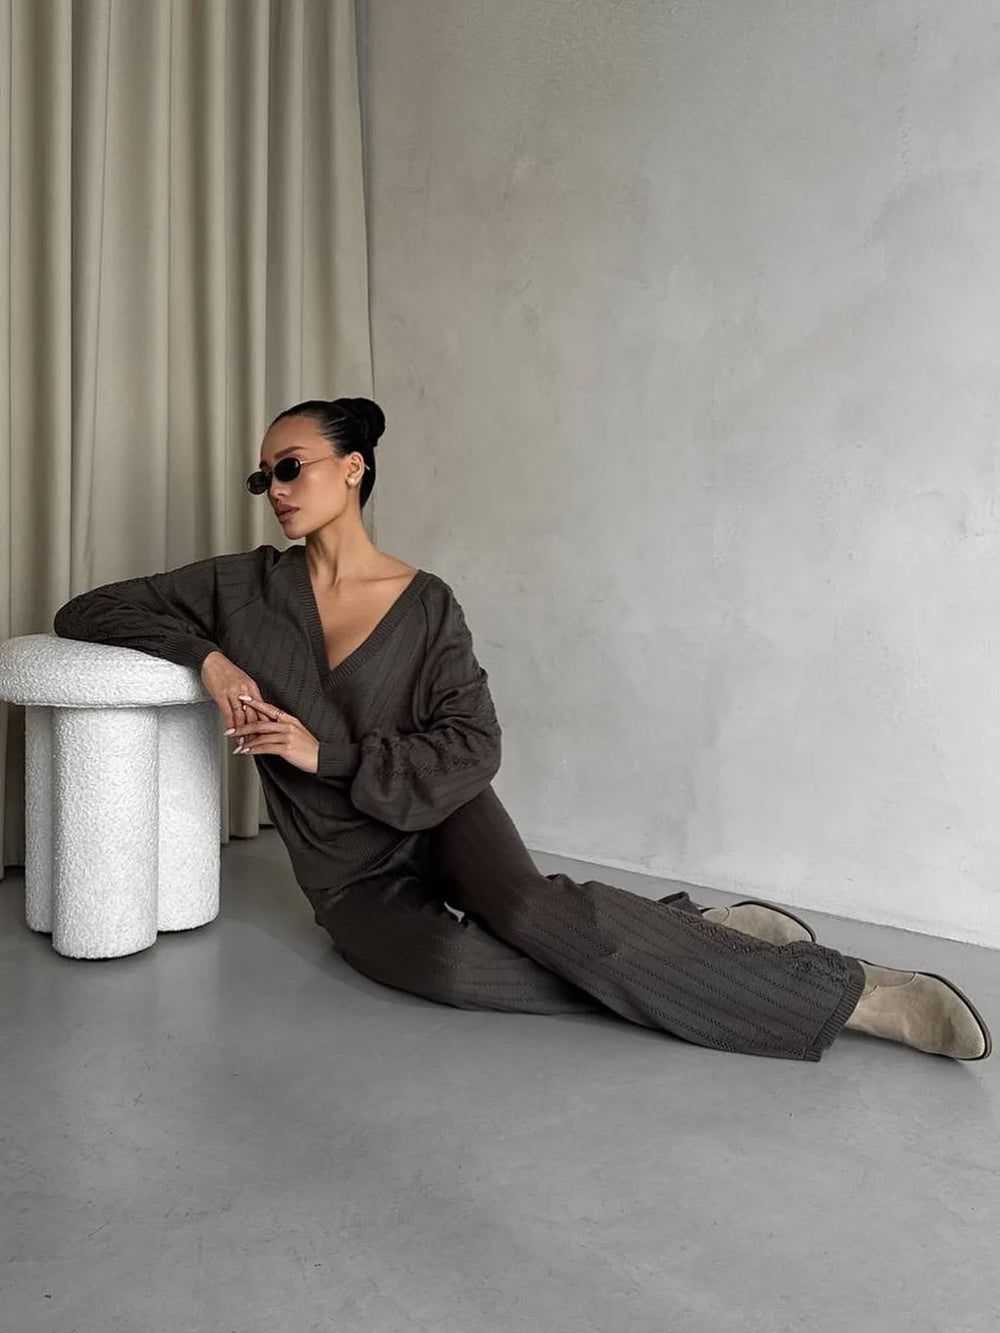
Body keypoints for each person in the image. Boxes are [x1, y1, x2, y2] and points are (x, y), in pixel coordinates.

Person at [52, 396, 991, 1063]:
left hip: (445, 813)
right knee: (459, 968)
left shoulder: (426, 604)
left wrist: (322, 751)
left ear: (353, 468)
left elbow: (474, 744)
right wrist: (211, 661)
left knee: (533, 912)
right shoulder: (241, 588)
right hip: (347, 870)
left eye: (292, 466)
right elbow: (87, 608)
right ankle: (708, 941)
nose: (277, 487)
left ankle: (859, 996)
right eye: (265, 475)